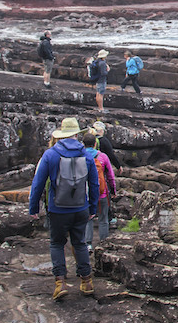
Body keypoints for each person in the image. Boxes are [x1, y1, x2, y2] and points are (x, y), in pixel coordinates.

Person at [28, 116, 99, 301]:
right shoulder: (86, 155)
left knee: (57, 243)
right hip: (80, 208)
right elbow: (94, 184)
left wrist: (33, 207)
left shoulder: (51, 154)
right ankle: (86, 281)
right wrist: (92, 207)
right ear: (77, 134)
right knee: (80, 243)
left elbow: (38, 183)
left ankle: (60, 283)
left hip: (58, 209)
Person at [82, 132, 116, 252]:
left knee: (88, 219)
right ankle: (104, 244)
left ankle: (88, 244)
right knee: (103, 219)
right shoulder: (103, 157)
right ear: (95, 143)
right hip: (102, 193)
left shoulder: (80, 156)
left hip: (85, 194)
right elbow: (110, 176)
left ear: (83, 143)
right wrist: (113, 191)